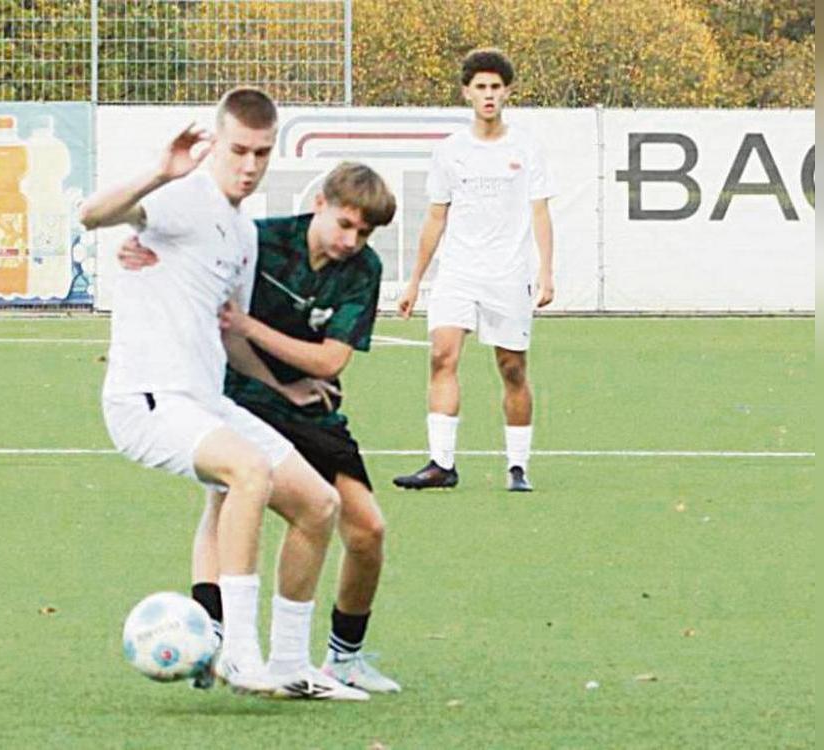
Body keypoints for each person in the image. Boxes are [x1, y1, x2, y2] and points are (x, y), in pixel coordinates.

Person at [81, 87, 367, 700]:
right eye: (239, 149)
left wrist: (282, 388)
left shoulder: (242, 231)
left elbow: (228, 328)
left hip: (206, 399)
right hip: (147, 398)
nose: (249, 165)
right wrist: (159, 171)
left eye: (261, 152)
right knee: (248, 471)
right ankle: (235, 650)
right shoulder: (181, 197)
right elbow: (92, 214)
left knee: (319, 506)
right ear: (217, 142)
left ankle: (290, 666)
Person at [119, 162, 401, 693]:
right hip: (240, 395)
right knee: (227, 497)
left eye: (364, 232)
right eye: (345, 224)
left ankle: (342, 657)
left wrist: (251, 328)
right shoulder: (261, 240)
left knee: (367, 529)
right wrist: (139, 250)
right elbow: (186, 255)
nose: (351, 240)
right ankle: (216, 640)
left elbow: (329, 361)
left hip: (307, 405)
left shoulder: (364, 270)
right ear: (320, 202)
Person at [392, 48, 556, 493]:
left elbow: (540, 212)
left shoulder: (526, 148)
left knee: (512, 368)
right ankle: (441, 464)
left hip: (508, 274)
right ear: (467, 92)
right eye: (480, 87)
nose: (488, 95)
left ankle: (517, 466)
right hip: (458, 273)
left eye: (495, 88)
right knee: (442, 355)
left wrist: (547, 272)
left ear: (507, 93)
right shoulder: (450, 152)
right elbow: (436, 218)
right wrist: (415, 282)